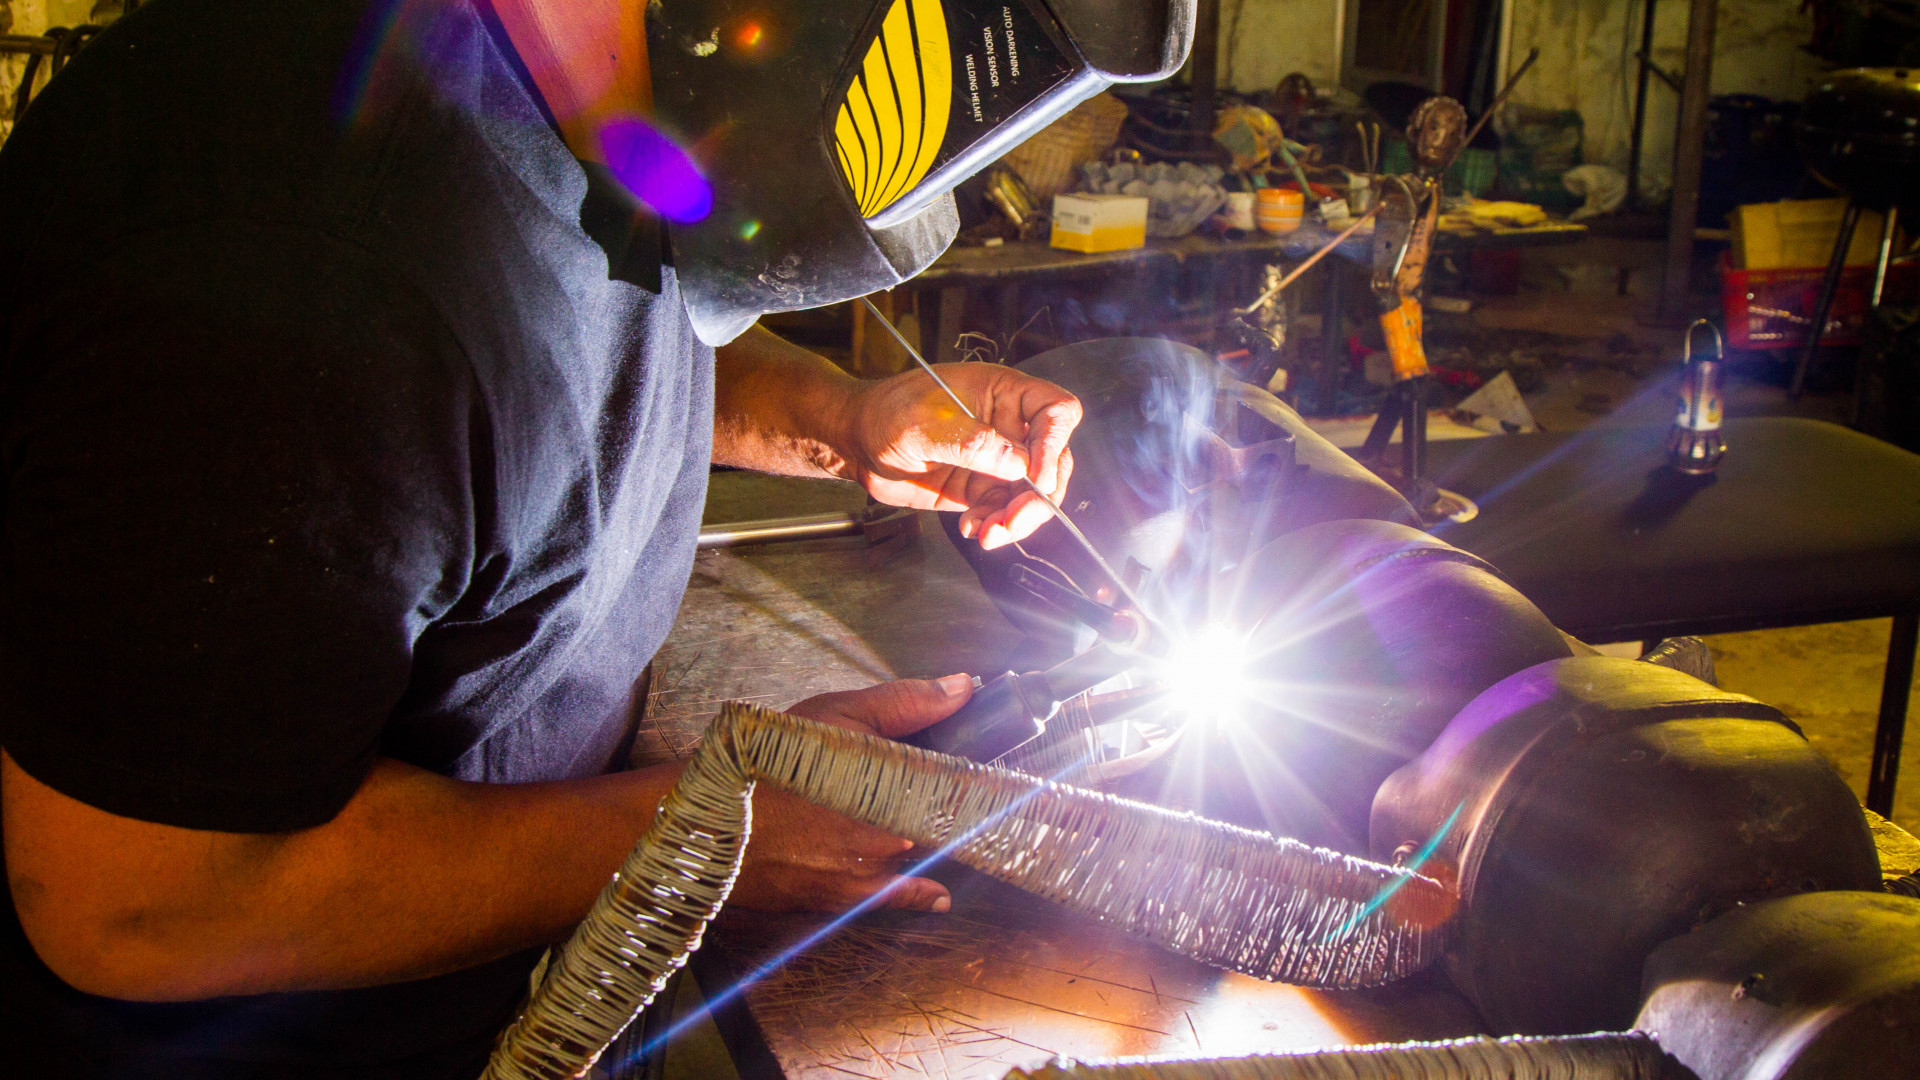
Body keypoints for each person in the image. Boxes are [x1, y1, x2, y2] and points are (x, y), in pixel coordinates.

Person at [0, 0, 1085, 1075]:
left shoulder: (600, 82)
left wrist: (844, 421)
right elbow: (142, 903)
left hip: (529, 974)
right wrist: (706, 831)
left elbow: (557, 346)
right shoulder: (301, 271)